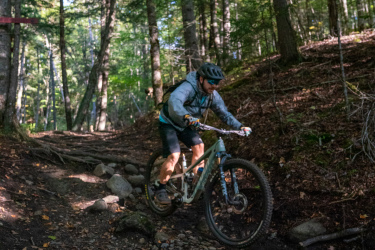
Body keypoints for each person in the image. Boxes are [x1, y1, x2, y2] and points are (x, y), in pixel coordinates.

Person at [156, 62, 251, 204]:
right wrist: (186, 116)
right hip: (169, 122)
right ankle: (160, 188)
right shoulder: (188, 87)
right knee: (174, 155)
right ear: (201, 79)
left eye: (217, 83)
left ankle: (196, 185)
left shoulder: (212, 95)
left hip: (188, 123)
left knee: (200, 147)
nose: (214, 85)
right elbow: (174, 102)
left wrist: (240, 126)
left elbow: (224, 114)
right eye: (211, 82)